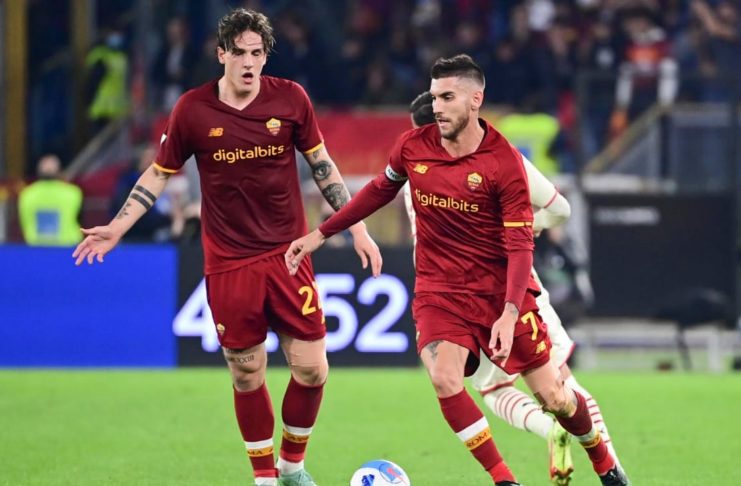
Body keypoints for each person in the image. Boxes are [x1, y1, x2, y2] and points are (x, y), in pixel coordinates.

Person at [285, 55, 629, 486]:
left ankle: (604, 462)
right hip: (440, 291)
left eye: (447, 97)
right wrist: (322, 233)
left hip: (498, 291)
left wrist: (509, 312)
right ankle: (504, 480)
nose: (438, 107)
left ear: (475, 100)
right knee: (445, 378)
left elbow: (520, 244)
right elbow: (378, 190)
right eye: (434, 98)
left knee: (555, 397)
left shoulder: (504, 162)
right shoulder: (412, 147)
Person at [72, 8, 381, 486]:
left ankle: (292, 466)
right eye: (239, 53)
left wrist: (356, 227)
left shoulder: (291, 99)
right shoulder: (192, 110)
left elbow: (323, 166)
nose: (249, 62)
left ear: (266, 56)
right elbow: (159, 173)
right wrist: (117, 226)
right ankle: (264, 478)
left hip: (288, 254)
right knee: (246, 373)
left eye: (257, 53)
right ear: (222, 54)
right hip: (229, 261)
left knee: (312, 370)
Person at [404, 91, 623, 485]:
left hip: (480, 293)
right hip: (497, 289)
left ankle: (571, 445)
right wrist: (522, 228)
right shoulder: (493, 159)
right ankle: (604, 468)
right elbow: (559, 210)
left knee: (514, 391)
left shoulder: (421, 175)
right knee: (555, 387)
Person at [18, 154, 83, 246]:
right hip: (68, 244)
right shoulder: (73, 192)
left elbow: (24, 220)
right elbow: (80, 218)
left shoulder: (27, 194)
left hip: (36, 245)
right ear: (59, 172)